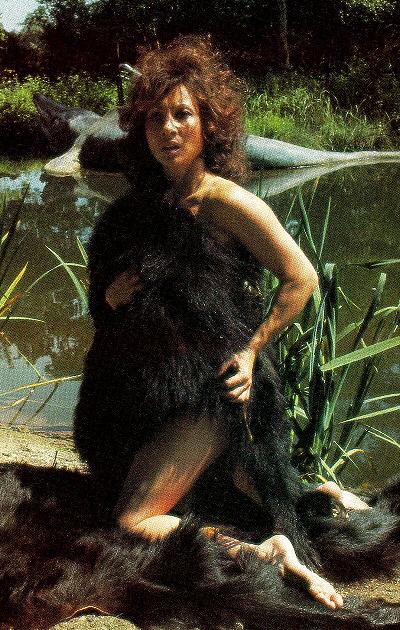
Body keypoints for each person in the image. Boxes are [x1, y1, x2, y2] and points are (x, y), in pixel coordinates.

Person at [74, 36, 370, 612]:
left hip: (215, 394)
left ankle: (267, 553)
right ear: (140, 130)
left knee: (135, 518)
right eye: (155, 118)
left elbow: (301, 278)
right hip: (159, 396)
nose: (168, 129)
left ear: (208, 124)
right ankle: (324, 494)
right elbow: (112, 309)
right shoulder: (142, 207)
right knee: (221, 496)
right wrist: (112, 296)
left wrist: (254, 351)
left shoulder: (227, 201)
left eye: (182, 114)